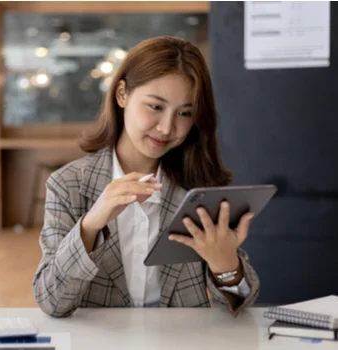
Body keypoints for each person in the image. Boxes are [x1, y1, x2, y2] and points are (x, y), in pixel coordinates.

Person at [33, 36, 260, 318]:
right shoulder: (69, 185)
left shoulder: (198, 189)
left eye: (185, 113)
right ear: (122, 94)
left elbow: (239, 306)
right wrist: (91, 224)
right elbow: (51, 301)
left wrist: (225, 266)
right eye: (155, 106)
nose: (167, 128)